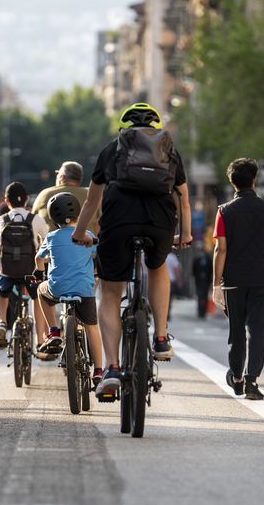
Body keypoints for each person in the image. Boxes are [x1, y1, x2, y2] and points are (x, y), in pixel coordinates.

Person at [73, 102, 192, 400]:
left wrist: (79, 232)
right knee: (157, 266)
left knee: (111, 292)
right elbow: (184, 200)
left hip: (119, 222)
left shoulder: (112, 150)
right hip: (160, 222)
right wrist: (185, 234)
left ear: (124, 127)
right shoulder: (169, 151)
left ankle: (112, 367)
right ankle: (161, 337)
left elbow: (91, 201)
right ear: (155, 128)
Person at [213, 159, 264, 401]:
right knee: (258, 329)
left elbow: (220, 250)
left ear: (232, 182)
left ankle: (236, 377)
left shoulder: (224, 211)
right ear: (254, 180)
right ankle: (252, 380)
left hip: (233, 279)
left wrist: (216, 284)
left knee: (236, 331)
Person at [34, 192, 104, 384]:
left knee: (41, 290)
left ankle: (54, 330)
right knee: (92, 328)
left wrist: (40, 273)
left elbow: (39, 259)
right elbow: (96, 255)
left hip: (57, 288)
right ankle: (98, 371)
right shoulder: (87, 235)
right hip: (84, 290)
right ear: (79, 214)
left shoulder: (51, 237)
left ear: (53, 217)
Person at [0, 181, 49, 351]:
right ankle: (40, 339)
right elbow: (48, 246)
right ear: (27, 200)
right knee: (38, 297)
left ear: (6, 201)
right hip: (31, 272)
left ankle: (1, 322)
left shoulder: (0, 220)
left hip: (7, 272)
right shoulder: (36, 220)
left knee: (0, 290)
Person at [32, 161, 99, 233]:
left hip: (52, 243)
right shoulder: (92, 195)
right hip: (85, 243)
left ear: (62, 177)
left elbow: (33, 221)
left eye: (57, 174)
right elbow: (98, 226)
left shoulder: (44, 194)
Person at [192, 245, 213, 319]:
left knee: (205, 296)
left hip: (206, 281)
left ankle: (204, 312)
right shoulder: (197, 259)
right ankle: (199, 311)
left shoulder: (208, 259)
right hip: (198, 280)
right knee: (199, 296)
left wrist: (211, 279)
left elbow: (211, 269)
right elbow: (194, 269)